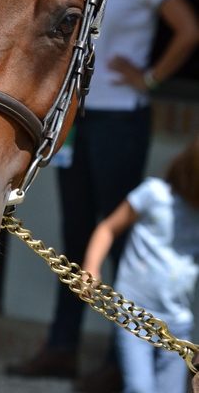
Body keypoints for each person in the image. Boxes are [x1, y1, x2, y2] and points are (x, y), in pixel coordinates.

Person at [6, 0, 199, 389]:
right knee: (72, 235)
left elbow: (188, 27)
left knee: (119, 240)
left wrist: (152, 78)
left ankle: (124, 356)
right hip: (81, 118)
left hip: (121, 120)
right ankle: (62, 347)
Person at [82, 135, 199, 393]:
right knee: (140, 388)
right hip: (134, 314)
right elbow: (108, 228)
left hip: (178, 322)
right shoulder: (154, 194)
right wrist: (92, 266)